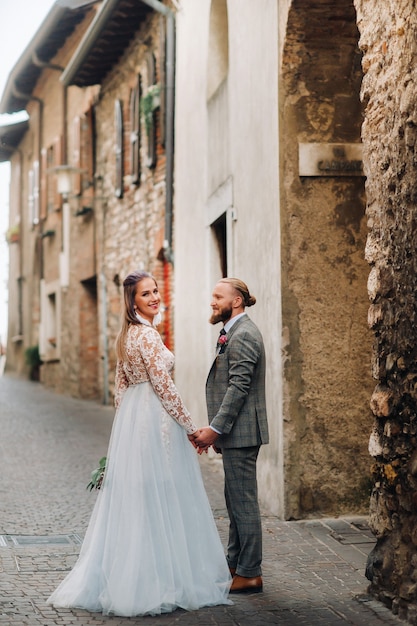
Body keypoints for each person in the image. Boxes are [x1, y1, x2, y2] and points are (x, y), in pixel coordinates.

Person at [47, 270, 231, 616]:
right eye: (146, 294)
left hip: (137, 419)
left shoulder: (126, 335)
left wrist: (127, 429)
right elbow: (163, 385)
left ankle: (141, 575)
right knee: (163, 495)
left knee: (144, 497)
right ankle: (161, 579)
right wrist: (191, 427)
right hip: (156, 419)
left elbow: (121, 387)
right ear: (133, 301)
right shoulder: (145, 336)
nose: (154, 297)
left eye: (156, 291)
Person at [194, 278, 269, 594]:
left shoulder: (245, 334)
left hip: (242, 431)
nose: (212, 301)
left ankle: (250, 572)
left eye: (217, 296)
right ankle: (234, 563)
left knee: (244, 502)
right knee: (234, 500)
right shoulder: (232, 332)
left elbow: (239, 388)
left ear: (236, 301)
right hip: (235, 432)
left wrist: (214, 430)